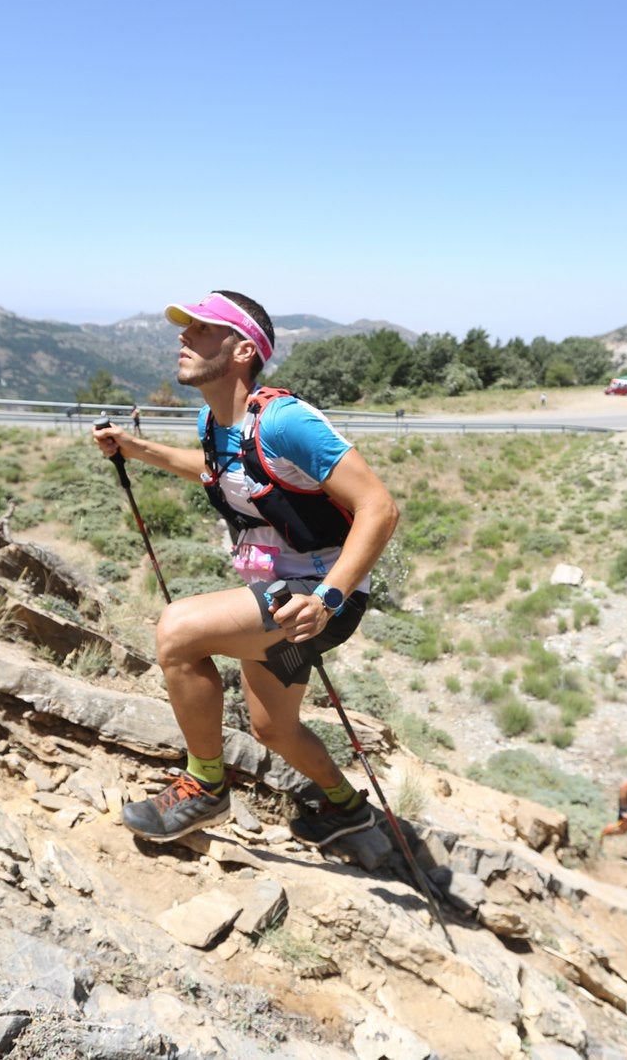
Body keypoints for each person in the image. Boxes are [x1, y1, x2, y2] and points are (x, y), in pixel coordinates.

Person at [92, 290, 400, 848]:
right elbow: (218, 473)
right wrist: (137, 450)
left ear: (241, 350)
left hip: (321, 599)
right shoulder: (213, 420)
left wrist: (327, 598)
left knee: (178, 631)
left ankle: (205, 785)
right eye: (187, 329)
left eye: (202, 330)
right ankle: (347, 807)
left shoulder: (283, 421)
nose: (184, 337)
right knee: (273, 728)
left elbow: (379, 506)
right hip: (283, 594)